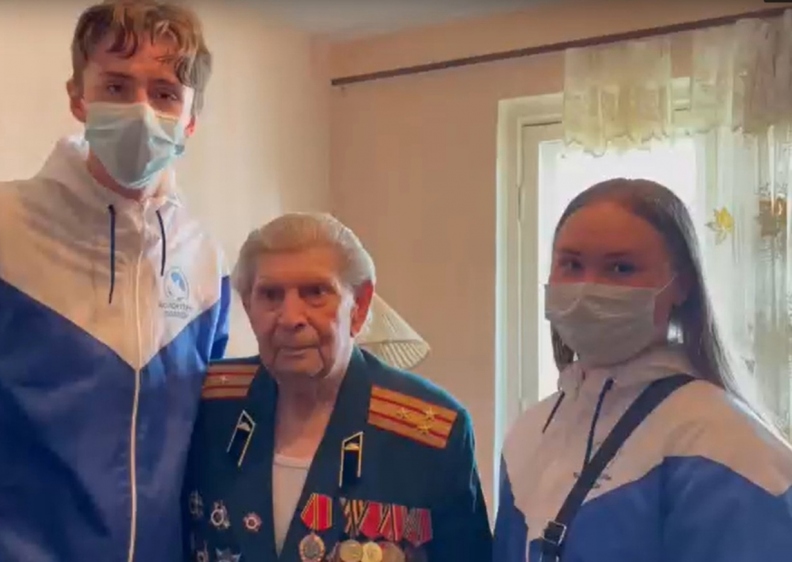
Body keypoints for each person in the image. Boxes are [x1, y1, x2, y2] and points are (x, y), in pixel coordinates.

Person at [0, 1, 229, 560]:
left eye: (164, 93)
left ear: (190, 119)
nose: (139, 109)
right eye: (116, 86)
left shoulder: (205, 261)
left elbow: (206, 439)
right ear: (78, 97)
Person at [493, 178, 792, 562]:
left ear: (681, 286)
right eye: (571, 264)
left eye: (621, 268)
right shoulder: (530, 434)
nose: (588, 288)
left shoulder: (725, 444)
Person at [183, 212, 493, 562]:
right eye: (270, 295)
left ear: (358, 306)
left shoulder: (431, 434)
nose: (291, 318)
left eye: (316, 293)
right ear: (248, 307)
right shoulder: (206, 405)